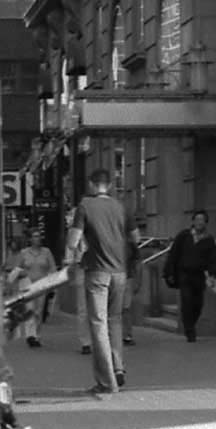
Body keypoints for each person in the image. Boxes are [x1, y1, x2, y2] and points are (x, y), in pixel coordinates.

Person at [63, 169, 140, 397]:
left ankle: (106, 381)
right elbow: (135, 238)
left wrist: (76, 242)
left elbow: (73, 241)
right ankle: (118, 367)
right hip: (120, 271)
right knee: (115, 320)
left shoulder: (85, 206)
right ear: (111, 185)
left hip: (97, 270)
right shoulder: (122, 207)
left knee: (98, 323)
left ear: (91, 183)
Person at [163, 210, 216, 343]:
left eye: (202, 220)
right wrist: (169, 272)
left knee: (198, 304)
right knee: (186, 300)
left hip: (198, 276)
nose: (199, 222)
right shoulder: (184, 236)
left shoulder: (208, 240)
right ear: (193, 221)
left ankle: (192, 323)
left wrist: (212, 274)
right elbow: (173, 254)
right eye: (197, 220)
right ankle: (189, 330)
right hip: (184, 274)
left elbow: (213, 259)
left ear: (206, 223)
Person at [14, 228, 57, 348]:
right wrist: (12, 280)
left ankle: (37, 335)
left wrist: (53, 282)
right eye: (35, 236)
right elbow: (16, 269)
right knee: (30, 309)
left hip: (42, 284)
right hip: (27, 284)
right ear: (30, 239)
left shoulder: (46, 252)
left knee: (39, 311)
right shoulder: (24, 253)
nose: (37, 238)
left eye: (39, 236)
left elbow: (53, 268)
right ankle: (30, 336)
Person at [65, 208, 92, 356]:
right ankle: (85, 342)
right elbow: (69, 255)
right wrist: (70, 267)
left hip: (96, 269)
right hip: (81, 269)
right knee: (83, 309)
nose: (69, 220)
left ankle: (100, 339)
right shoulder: (72, 233)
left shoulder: (93, 230)